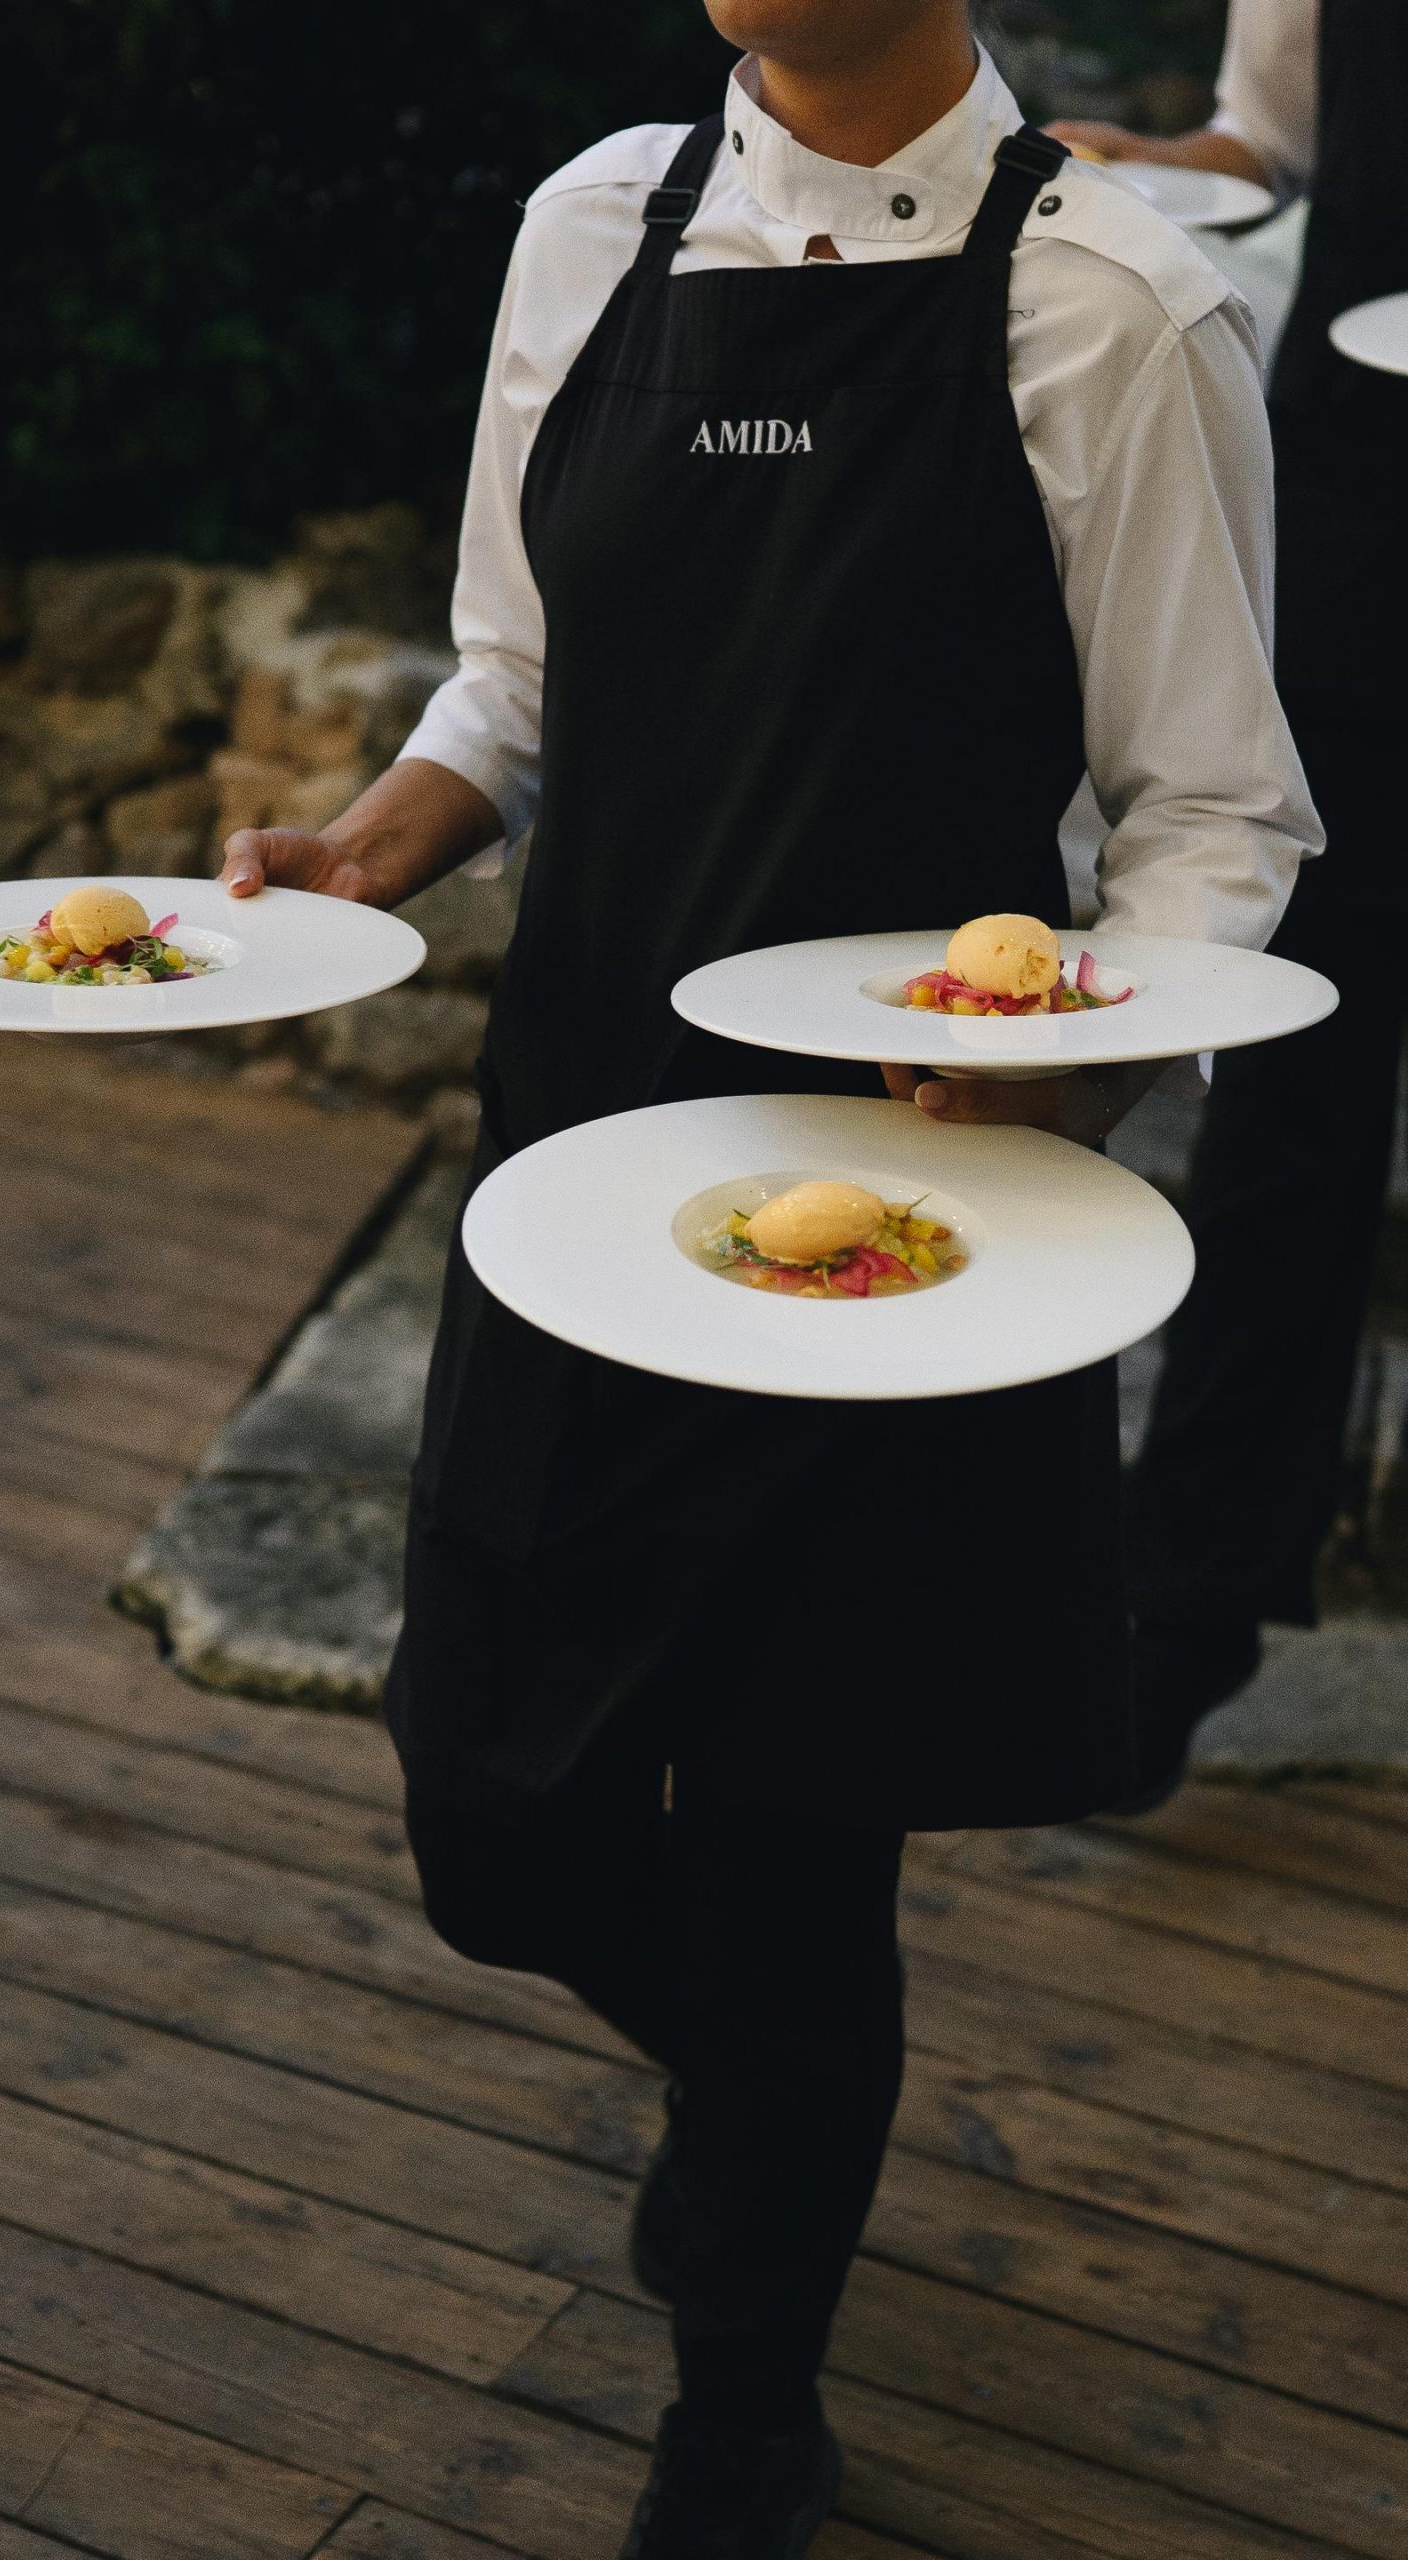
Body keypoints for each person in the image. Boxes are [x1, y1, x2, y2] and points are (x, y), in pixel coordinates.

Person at [220, 3, 1319, 2548]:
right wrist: (370, 843)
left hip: (911, 1220)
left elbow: (1206, 819)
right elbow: (508, 679)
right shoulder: (588, 226)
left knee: (803, 1826)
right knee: (492, 1816)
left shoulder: (1106, 302)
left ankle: (748, 2391)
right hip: (584, 1168)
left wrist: (1055, 1080)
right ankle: (762, 2116)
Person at [1055, 0, 1408, 1802]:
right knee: (1298, 1073)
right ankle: (1179, 1608)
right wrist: (1138, 167)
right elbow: (1273, 152)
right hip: (1366, 502)